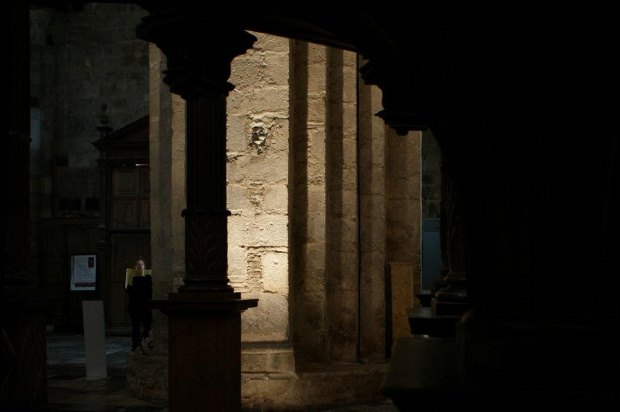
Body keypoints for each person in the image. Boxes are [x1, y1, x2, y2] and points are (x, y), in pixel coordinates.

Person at [125, 256, 152, 351]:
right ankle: (135, 345)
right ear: (134, 267)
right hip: (134, 306)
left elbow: (150, 292)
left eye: (142, 265)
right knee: (135, 328)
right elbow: (127, 289)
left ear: (144, 266)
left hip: (145, 306)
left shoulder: (148, 277)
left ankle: (146, 344)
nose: (140, 267)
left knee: (147, 327)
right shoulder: (131, 277)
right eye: (138, 265)